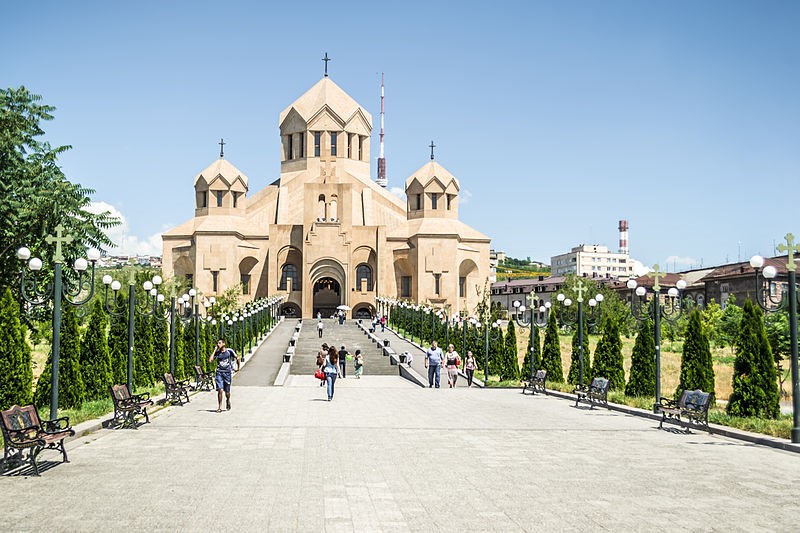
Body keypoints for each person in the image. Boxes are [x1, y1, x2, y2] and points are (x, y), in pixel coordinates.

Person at [209, 339, 240, 412]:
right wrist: (214, 350)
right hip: (219, 372)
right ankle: (219, 407)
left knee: (227, 392)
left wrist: (238, 368)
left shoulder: (229, 351)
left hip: (227, 373)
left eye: (219, 343)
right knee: (220, 390)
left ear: (224, 344)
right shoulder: (218, 352)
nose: (218, 344)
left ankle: (228, 400)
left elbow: (237, 358)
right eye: (217, 343)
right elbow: (210, 360)